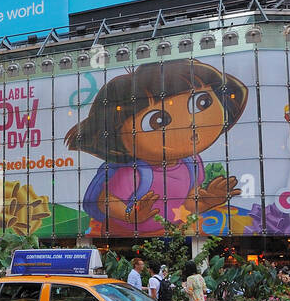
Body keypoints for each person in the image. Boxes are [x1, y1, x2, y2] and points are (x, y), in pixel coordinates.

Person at [63, 61, 246, 237]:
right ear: (118, 137)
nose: (189, 124)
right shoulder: (135, 173)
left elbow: (186, 202)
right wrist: (131, 216)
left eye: (202, 102)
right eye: (157, 121)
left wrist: (205, 202)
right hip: (128, 236)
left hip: (174, 232)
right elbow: (105, 201)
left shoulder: (191, 163)